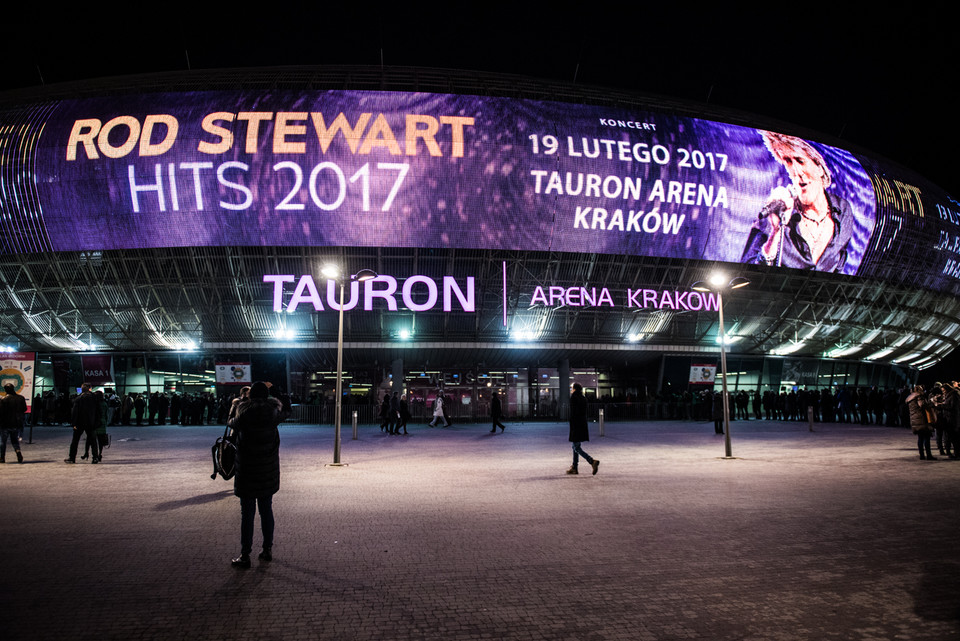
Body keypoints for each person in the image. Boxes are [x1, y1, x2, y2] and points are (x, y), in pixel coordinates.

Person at [741, 131, 853, 272]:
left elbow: (839, 265)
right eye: (788, 161)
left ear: (820, 167)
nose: (796, 171)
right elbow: (748, 273)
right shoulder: (777, 211)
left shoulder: (843, 210)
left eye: (800, 161)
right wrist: (776, 233)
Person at [228, 381, 285, 568]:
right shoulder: (273, 413)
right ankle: (267, 549)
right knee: (266, 510)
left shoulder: (243, 412)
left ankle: (245, 554)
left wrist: (235, 405)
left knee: (247, 514)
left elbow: (230, 423)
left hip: (247, 471)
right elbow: (285, 410)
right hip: (267, 471)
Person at [65, 382, 102, 464]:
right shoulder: (95, 399)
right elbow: (99, 412)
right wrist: (97, 422)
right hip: (91, 423)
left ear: (82, 389)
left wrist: (74, 423)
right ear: (90, 389)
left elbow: (75, 412)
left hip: (79, 423)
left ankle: (72, 458)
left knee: (75, 441)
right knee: (93, 441)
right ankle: (95, 457)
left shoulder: (78, 399)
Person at [567, 383, 599, 475]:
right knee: (576, 446)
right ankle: (574, 467)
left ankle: (592, 461)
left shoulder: (574, 397)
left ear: (575, 389)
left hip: (576, 425)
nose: (571, 389)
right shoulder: (583, 398)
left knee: (575, 447)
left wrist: (572, 424)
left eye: (572, 388)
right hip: (582, 424)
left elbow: (573, 412)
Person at [905, 385, 936, 460]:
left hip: (914, 419)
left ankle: (922, 455)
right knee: (926, 437)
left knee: (920, 438)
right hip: (922, 419)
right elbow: (922, 405)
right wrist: (931, 403)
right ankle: (929, 455)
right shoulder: (919, 396)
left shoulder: (910, 398)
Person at [0, 383, 26, 463]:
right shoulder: (21, 398)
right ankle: (18, 452)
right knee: (14, 440)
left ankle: (2, 457)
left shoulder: (3, 400)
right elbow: (24, 409)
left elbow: (1, 412)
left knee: (2, 441)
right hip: (16, 423)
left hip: (5, 423)